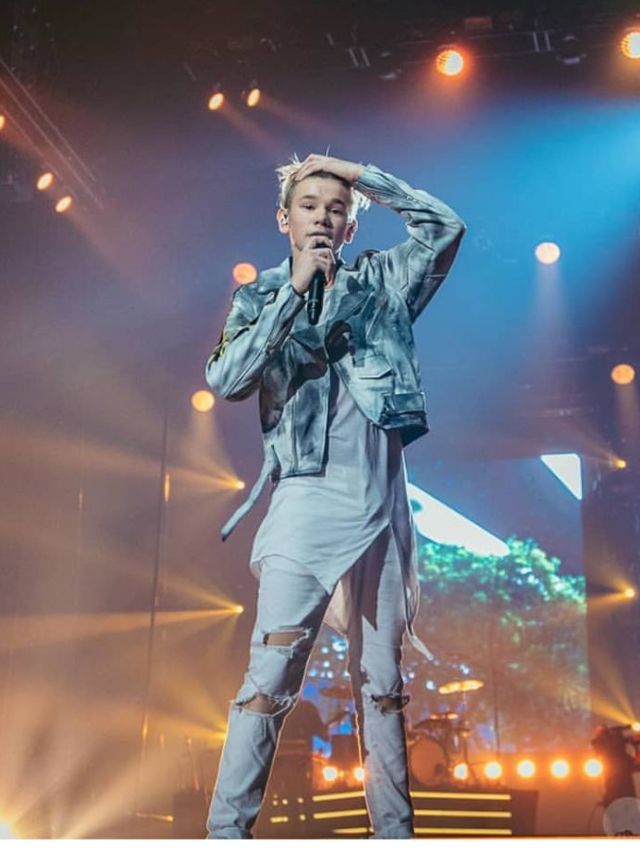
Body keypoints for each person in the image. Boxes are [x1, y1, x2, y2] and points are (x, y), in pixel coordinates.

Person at [204, 153, 466, 839]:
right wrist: (294, 290)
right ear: (284, 220)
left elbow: (444, 227)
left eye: (336, 208)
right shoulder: (259, 296)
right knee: (272, 673)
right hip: (306, 502)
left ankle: (394, 833)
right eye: (309, 205)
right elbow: (227, 379)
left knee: (382, 682)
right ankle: (226, 833)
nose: (323, 216)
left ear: (350, 226)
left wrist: (357, 172)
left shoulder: (383, 284)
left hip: (381, 504)